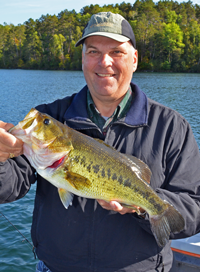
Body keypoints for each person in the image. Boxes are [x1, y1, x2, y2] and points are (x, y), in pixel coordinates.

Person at [0, 11, 200, 272]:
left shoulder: (171, 126)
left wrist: (140, 206)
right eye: (93, 51)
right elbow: (8, 188)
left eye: (117, 52)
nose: (104, 62)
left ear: (135, 59)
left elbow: (193, 211)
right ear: (83, 59)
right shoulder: (52, 116)